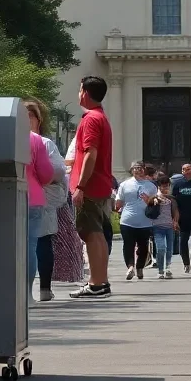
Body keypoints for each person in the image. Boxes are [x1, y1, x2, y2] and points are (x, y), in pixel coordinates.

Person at [25, 100, 79, 302]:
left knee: (36, 242)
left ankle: (39, 289)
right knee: (34, 244)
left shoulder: (8, 140)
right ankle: (34, 291)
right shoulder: (40, 142)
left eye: (31, 116)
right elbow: (54, 172)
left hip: (28, 198)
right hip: (38, 196)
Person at [69, 75, 117, 299]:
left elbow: (90, 153)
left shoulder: (90, 119)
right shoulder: (101, 118)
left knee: (91, 233)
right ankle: (100, 281)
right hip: (100, 184)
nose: (79, 94)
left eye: (80, 90)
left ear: (85, 93)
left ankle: (97, 283)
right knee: (96, 232)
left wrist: (80, 185)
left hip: (90, 185)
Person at [25, 105, 56, 300]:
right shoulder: (35, 140)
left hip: (2, 197)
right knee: (30, 246)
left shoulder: (3, 135)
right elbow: (46, 174)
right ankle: (27, 294)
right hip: (33, 197)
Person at [115, 161, 158, 280]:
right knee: (128, 245)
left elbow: (155, 203)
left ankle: (139, 267)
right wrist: (116, 206)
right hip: (127, 220)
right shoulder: (124, 184)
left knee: (143, 247)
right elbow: (119, 201)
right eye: (135, 168)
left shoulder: (151, 186)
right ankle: (130, 267)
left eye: (140, 168)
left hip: (145, 221)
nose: (137, 170)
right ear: (131, 170)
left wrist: (148, 201)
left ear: (144, 170)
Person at [152, 173, 178, 278]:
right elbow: (150, 203)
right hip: (157, 226)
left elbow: (175, 211)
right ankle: (160, 270)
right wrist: (154, 200)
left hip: (169, 226)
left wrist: (176, 221)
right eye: (162, 186)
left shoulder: (171, 198)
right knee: (161, 248)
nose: (165, 188)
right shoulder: (155, 197)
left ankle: (168, 268)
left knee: (169, 249)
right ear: (159, 186)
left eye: (166, 185)